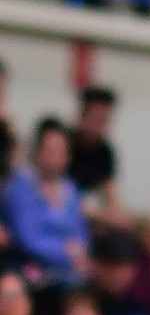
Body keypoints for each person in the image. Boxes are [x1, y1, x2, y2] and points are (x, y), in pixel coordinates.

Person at [4, 117, 90, 285]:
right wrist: (66, 252)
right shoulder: (19, 189)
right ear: (37, 152)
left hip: (69, 270)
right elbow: (28, 238)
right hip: (29, 268)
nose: (54, 158)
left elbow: (80, 232)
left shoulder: (71, 190)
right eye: (49, 151)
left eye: (60, 152)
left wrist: (80, 253)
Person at [69, 85, 127, 225]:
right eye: (94, 118)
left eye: (104, 120)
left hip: (90, 212)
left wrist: (118, 213)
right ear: (82, 115)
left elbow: (111, 191)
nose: (98, 126)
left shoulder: (105, 151)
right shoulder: (65, 144)